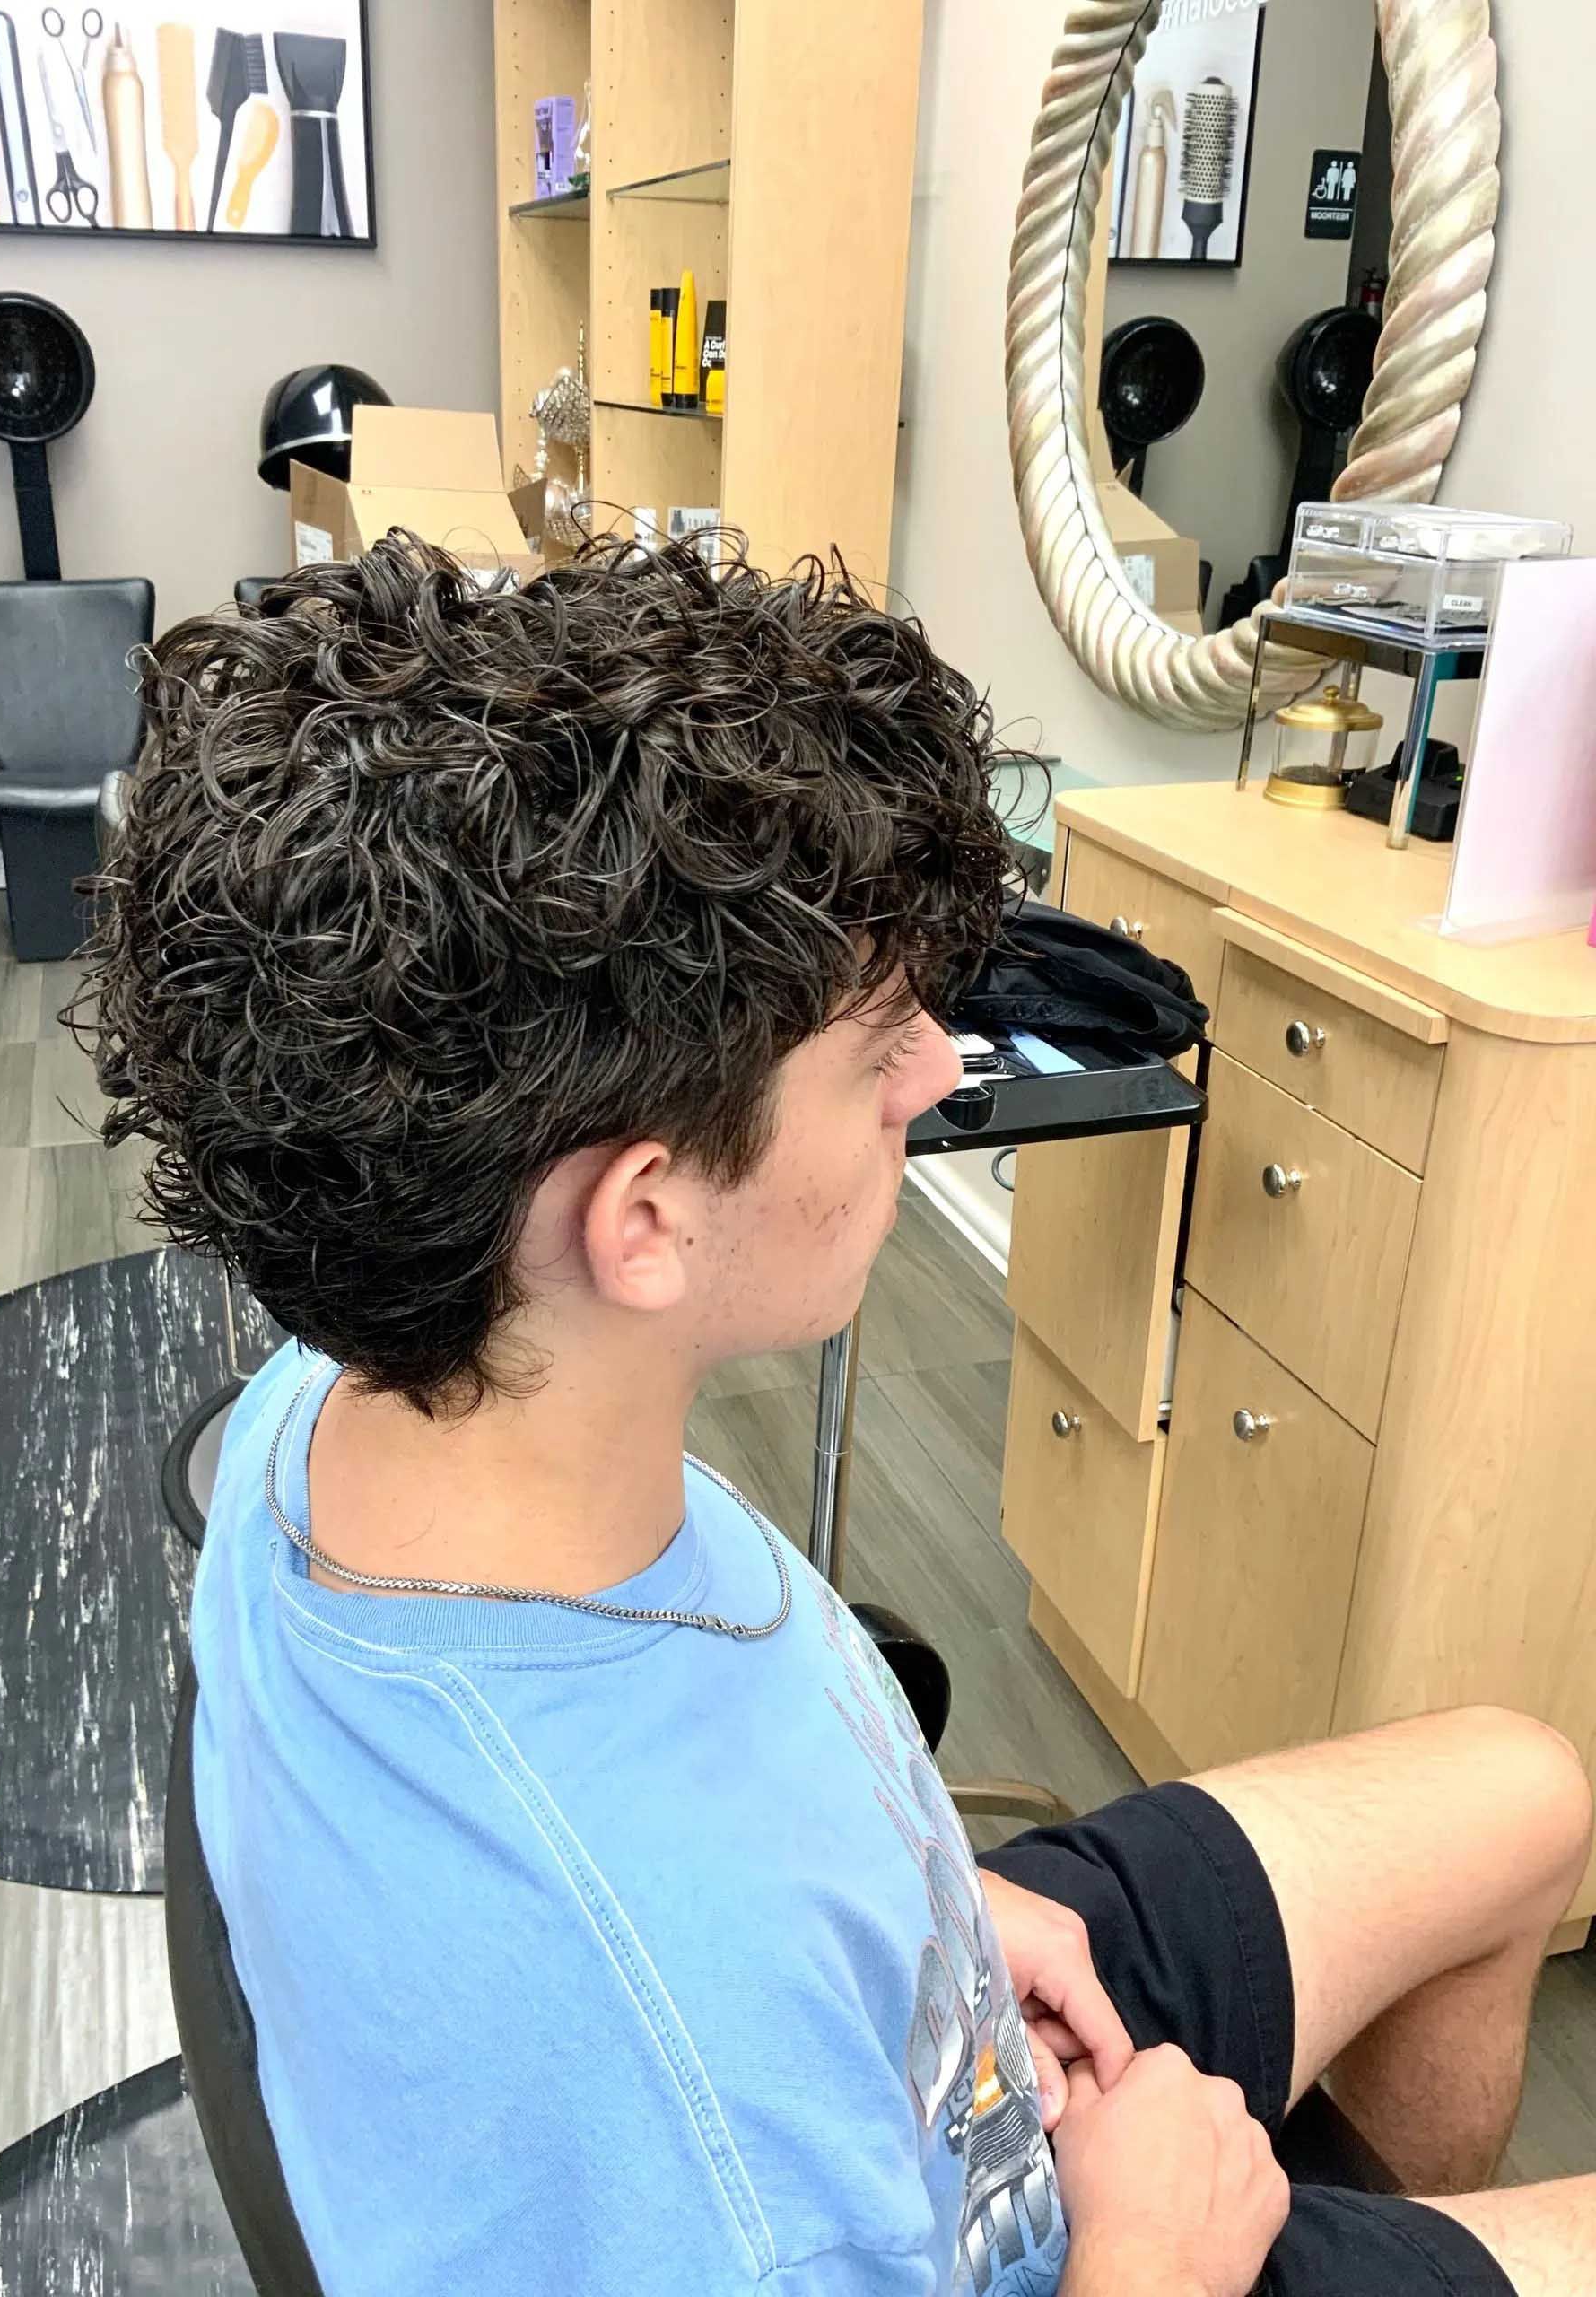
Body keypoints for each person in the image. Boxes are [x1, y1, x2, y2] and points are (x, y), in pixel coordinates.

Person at [83, 532, 1595, 2297]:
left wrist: (936, 1892)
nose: (936, 1070)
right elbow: (691, 2026)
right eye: (873, 1039)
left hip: (933, 1984)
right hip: (1071, 2238)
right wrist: (1163, 2249)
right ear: (643, 1217)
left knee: (1524, 1787)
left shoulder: (351, 1387)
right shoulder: (675, 2059)